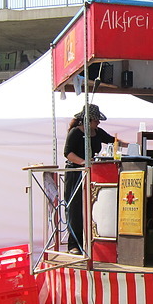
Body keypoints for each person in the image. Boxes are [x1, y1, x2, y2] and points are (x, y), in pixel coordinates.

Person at [64, 104, 123, 255]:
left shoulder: (97, 132)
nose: (98, 123)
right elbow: (68, 153)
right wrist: (84, 162)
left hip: (92, 173)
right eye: (96, 120)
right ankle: (73, 244)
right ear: (88, 120)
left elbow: (113, 140)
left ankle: (93, 241)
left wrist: (133, 145)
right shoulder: (75, 133)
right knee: (75, 208)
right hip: (76, 172)